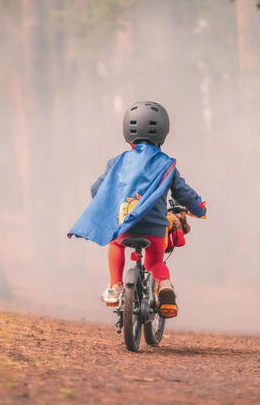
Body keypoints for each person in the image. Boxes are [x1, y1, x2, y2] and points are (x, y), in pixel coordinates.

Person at [67, 100, 206, 318]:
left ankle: (115, 286)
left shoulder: (117, 162)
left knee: (115, 243)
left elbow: (97, 189)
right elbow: (183, 193)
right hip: (155, 228)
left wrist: (107, 202)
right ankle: (166, 287)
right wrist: (199, 209)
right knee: (155, 262)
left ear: (128, 131)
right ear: (163, 132)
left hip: (124, 226)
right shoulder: (166, 163)